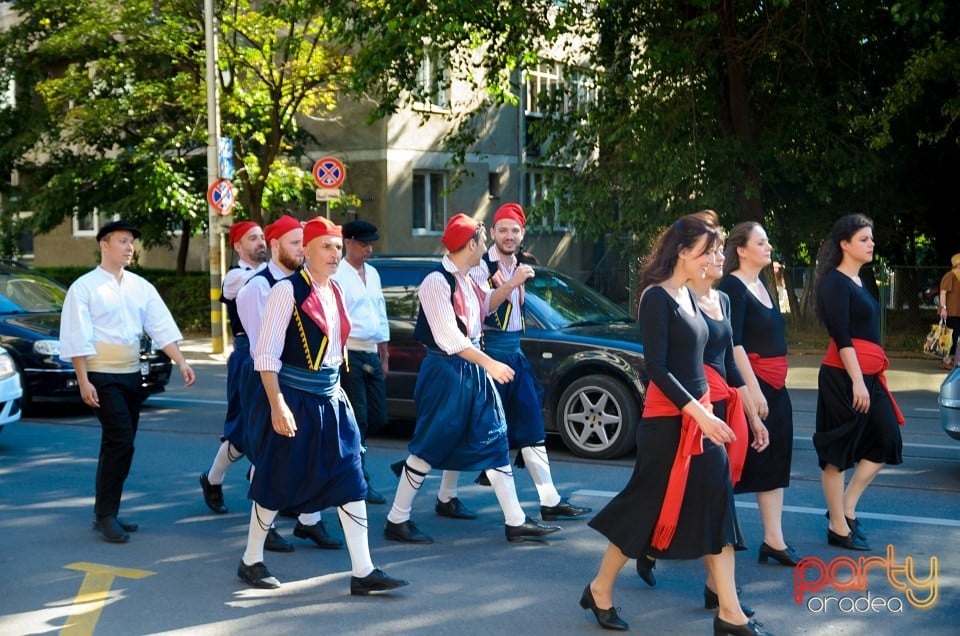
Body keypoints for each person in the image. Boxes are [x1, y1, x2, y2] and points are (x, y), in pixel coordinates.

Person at [581, 213, 766, 635]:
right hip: (668, 424)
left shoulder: (689, 295)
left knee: (718, 506)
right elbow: (659, 369)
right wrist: (699, 412)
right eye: (705, 251)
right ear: (682, 252)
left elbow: (713, 361)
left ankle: (729, 612)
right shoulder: (656, 298)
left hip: (701, 420)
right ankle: (600, 588)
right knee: (642, 510)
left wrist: (742, 411)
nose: (711, 259)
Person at [238, 216, 407, 595]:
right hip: (295, 398)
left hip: (331, 399)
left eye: (336, 247)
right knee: (276, 479)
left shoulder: (336, 291)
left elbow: (334, 352)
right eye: (325, 247)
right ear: (307, 251)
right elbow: (265, 356)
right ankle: (250, 559)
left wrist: (339, 393)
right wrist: (278, 406)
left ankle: (363, 570)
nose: (334, 254)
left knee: (350, 478)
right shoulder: (286, 292)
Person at [383, 213, 561, 545]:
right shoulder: (437, 282)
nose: (486, 248)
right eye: (482, 241)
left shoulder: (467, 278)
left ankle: (516, 522)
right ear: (471, 245)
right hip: (446, 372)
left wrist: (507, 287)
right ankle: (397, 518)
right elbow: (450, 338)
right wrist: (490, 364)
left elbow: (486, 310)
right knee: (427, 446)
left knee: (494, 440)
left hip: (472, 368)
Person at [433, 203, 591, 522]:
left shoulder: (517, 263)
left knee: (531, 424)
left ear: (523, 234)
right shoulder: (480, 265)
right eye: (502, 230)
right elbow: (483, 308)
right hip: (488, 354)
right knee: (470, 427)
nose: (509, 236)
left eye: (514, 230)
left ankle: (549, 499)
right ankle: (445, 496)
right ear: (492, 233)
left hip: (514, 354)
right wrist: (512, 282)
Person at [59, 220, 196, 544]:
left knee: (120, 443)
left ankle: (105, 512)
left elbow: (160, 325)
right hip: (101, 375)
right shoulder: (85, 287)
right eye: (122, 241)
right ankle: (106, 515)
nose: (129, 247)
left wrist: (182, 361)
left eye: (131, 242)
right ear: (104, 245)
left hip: (132, 374)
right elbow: (78, 336)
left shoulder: (140, 287)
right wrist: (83, 380)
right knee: (120, 439)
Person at [236, 214, 342, 552]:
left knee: (318, 464)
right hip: (272, 379)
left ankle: (311, 522)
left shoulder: (320, 286)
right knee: (268, 457)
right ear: (277, 244)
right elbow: (263, 347)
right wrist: (277, 399)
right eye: (296, 243)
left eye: (302, 241)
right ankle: (256, 543)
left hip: (311, 386)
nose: (299, 249)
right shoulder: (263, 287)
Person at [813, 213, 904, 552]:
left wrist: (867, 379)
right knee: (837, 452)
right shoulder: (835, 283)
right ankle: (838, 527)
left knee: (886, 439)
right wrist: (857, 381)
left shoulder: (861, 281)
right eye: (864, 239)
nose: (871, 244)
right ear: (845, 244)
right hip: (844, 376)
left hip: (868, 375)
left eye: (871, 238)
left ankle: (846, 509)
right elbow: (842, 335)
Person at [718, 222, 798, 568]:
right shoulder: (732, 287)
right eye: (761, 242)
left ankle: (773, 540)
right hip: (752, 384)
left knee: (774, 461)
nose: (768, 247)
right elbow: (733, 343)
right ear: (741, 250)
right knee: (730, 466)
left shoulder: (762, 284)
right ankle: (695, 538)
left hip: (776, 385)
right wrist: (752, 391)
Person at [199, 220, 267, 516]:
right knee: (240, 433)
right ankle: (212, 479)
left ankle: (268, 486)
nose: (261, 243)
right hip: (247, 357)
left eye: (264, 237)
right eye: (253, 238)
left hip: (274, 355)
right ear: (238, 246)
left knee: (274, 426)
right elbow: (266, 280)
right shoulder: (237, 277)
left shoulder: (274, 272)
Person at [333, 220, 390, 505]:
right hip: (350, 352)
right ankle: (358, 477)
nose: (368, 249)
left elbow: (379, 312)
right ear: (348, 243)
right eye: (363, 243)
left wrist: (385, 352)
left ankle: (348, 466)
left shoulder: (374, 273)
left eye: (371, 244)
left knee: (378, 416)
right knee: (359, 418)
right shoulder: (339, 274)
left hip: (371, 350)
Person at [938, 254, 960, 369]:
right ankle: (946, 360)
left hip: (957, 312)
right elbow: (943, 292)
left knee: (955, 337)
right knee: (951, 337)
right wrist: (944, 308)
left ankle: (950, 359)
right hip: (950, 312)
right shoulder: (950, 276)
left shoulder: (958, 277)